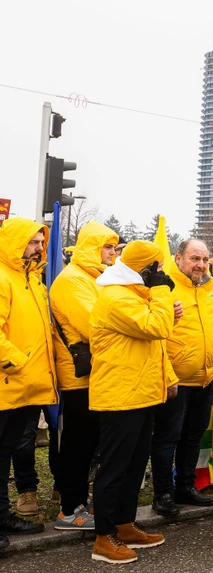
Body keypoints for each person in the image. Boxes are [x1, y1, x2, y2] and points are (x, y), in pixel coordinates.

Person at [88, 240, 178, 564]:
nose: (163, 273)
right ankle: (103, 538)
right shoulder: (115, 297)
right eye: (158, 267)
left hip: (141, 392)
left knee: (135, 466)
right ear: (145, 269)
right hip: (120, 395)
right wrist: (164, 296)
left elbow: (151, 342)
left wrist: (168, 378)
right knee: (114, 469)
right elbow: (157, 327)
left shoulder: (135, 295)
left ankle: (124, 525)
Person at [48, 221, 119, 532]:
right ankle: (69, 509)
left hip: (96, 374)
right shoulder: (72, 280)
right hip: (79, 378)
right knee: (77, 445)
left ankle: (78, 502)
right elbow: (96, 324)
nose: (113, 253)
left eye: (115, 248)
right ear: (92, 247)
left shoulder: (97, 279)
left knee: (88, 444)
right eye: (107, 247)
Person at [151, 238, 213, 517]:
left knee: (193, 438)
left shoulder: (209, 289)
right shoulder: (163, 287)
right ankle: (163, 493)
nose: (201, 265)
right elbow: (157, 339)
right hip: (175, 382)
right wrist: (168, 376)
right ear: (178, 258)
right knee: (167, 439)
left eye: (204, 260)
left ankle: (185, 487)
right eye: (195, 259)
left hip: (205, 379)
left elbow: (212, 330)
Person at [0, 218, 57, 549]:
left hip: (26, 387)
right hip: (9, 383)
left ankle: (2, 515)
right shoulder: (4, 277)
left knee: (5, 452)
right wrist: (20, 362)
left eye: (41, 242)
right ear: (14, 242)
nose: (39, 248)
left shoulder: (34, 281)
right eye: (34, 242)